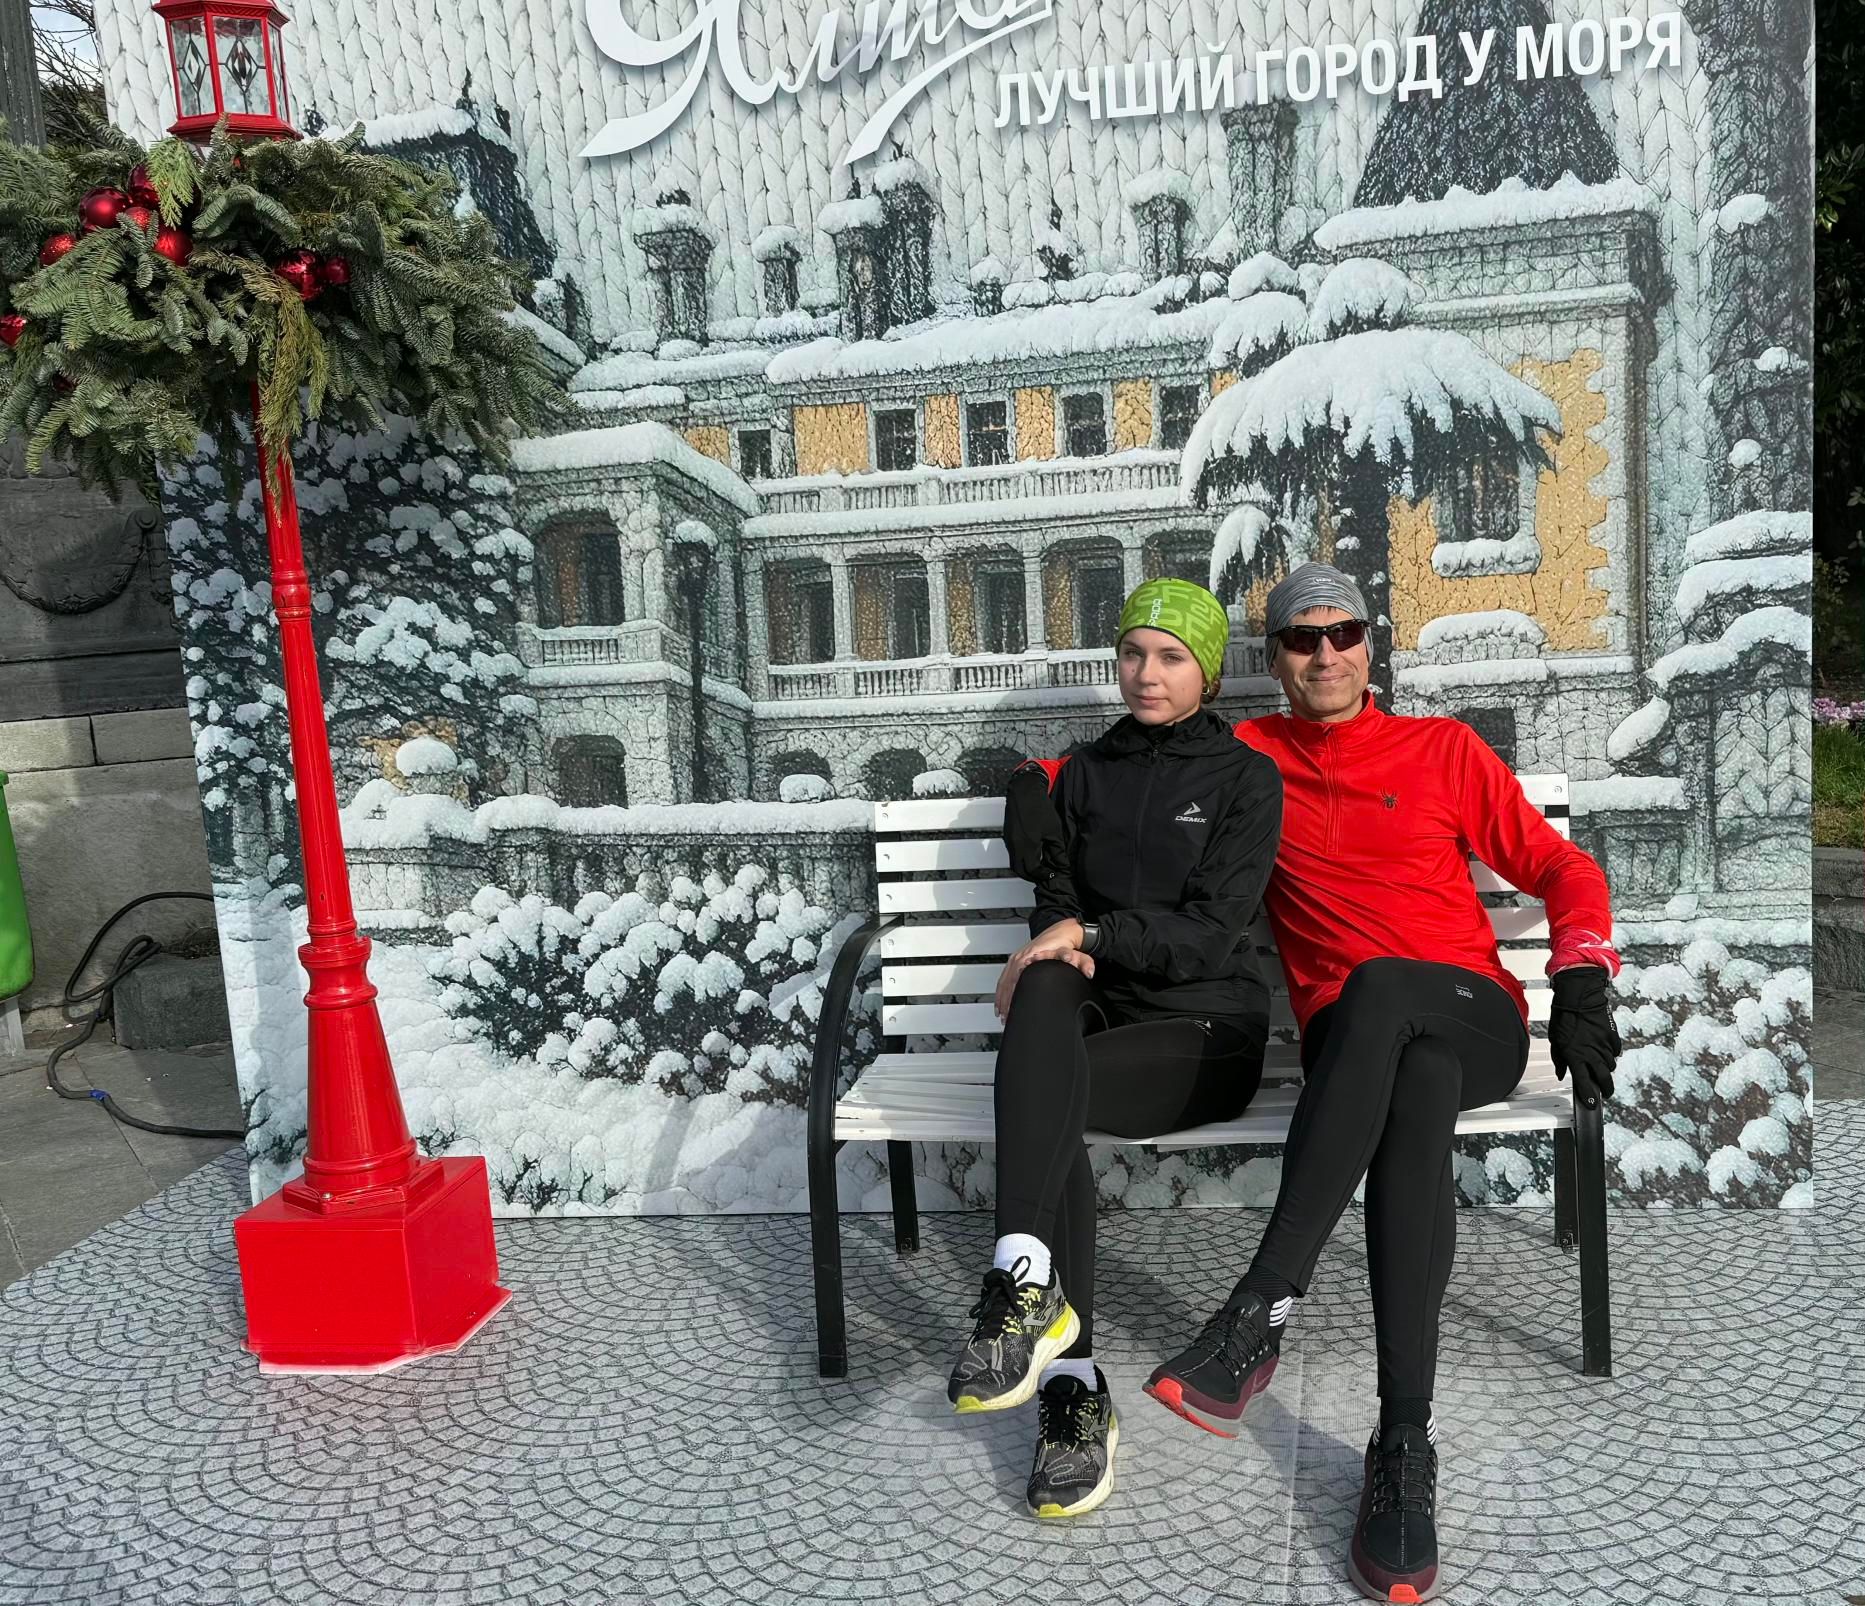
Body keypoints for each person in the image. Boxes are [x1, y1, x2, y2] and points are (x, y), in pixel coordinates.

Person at [1128, 562, 1624, 1604]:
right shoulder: (1245, 761)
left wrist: (1580, 970)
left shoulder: (1441, 749)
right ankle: (1403, 1446)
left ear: (1368, 645)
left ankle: (1256, 1310)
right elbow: (1113, 777)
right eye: (1300, 639)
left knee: (1393, 988)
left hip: (1471, 1014)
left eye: (1341, 633)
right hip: (1357, 1049)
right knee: (1410, 1080)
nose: (1324, 654)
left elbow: (1562, 869)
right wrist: (1038, 807)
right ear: (1272, 660)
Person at [945, 577, 1283, 1521]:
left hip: (1204, 1033)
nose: (1146, 673)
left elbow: (1209, 935)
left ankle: (1064, 1369)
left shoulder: (1244, 779)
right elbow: (1056, 905)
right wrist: (1057, 936)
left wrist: (1090, 936)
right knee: (1045, 985)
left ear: (1207, 672)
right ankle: (1042, 1311)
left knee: (1044, 1082)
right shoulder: (1085, 773)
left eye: (1170, 656)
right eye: (1132, 652)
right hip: (1101, 1011)